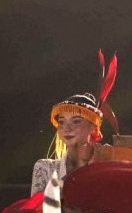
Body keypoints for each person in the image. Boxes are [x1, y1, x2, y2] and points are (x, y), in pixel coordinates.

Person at [31, 52, 118, 195]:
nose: (67, 128)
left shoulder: (107, 167)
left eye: (76, 121)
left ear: (92, 127)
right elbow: (38, 212)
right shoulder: (45, 168)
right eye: (61, 122)